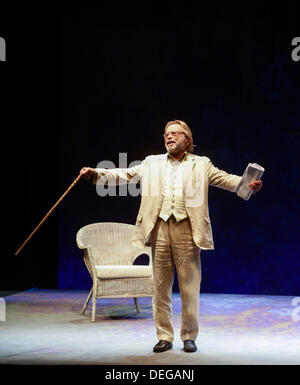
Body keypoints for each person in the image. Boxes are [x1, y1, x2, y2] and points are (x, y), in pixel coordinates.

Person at [79, 120, 262, 353]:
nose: (169, 137)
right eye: (166, 134)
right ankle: (164, 336)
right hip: (159, 230)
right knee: (160, 288)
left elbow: (226, 179)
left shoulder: (201, 164)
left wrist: (248, 183)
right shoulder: (151, 162)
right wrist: (96, 173)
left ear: (187, 139)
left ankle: (189, 336)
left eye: (175, 133)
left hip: (187, 230)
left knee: (189, 287)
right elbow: (125, 174)